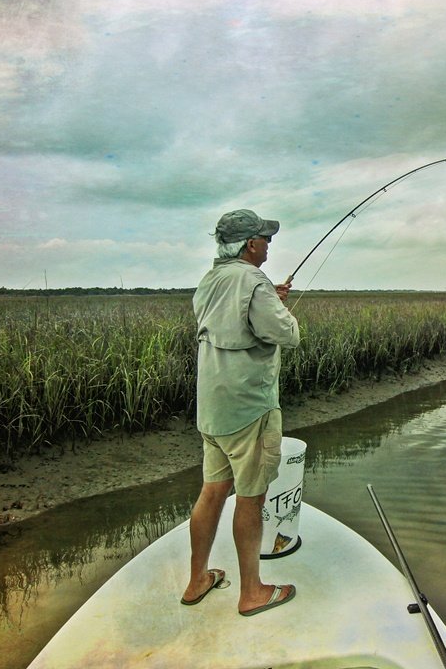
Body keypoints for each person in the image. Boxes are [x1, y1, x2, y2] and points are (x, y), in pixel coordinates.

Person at [181, 208, 300, 616]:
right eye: (265, 238)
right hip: (249, 409)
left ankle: (197, 580)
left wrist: (269, 302)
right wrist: (279, 308)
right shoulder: (254, 280)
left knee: (212, 491)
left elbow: (232, 320)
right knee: (250, 498)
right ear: (251, 244)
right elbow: (288, 334)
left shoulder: (210, 280)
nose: (269, 244)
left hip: (213, 410)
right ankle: (252, 592)